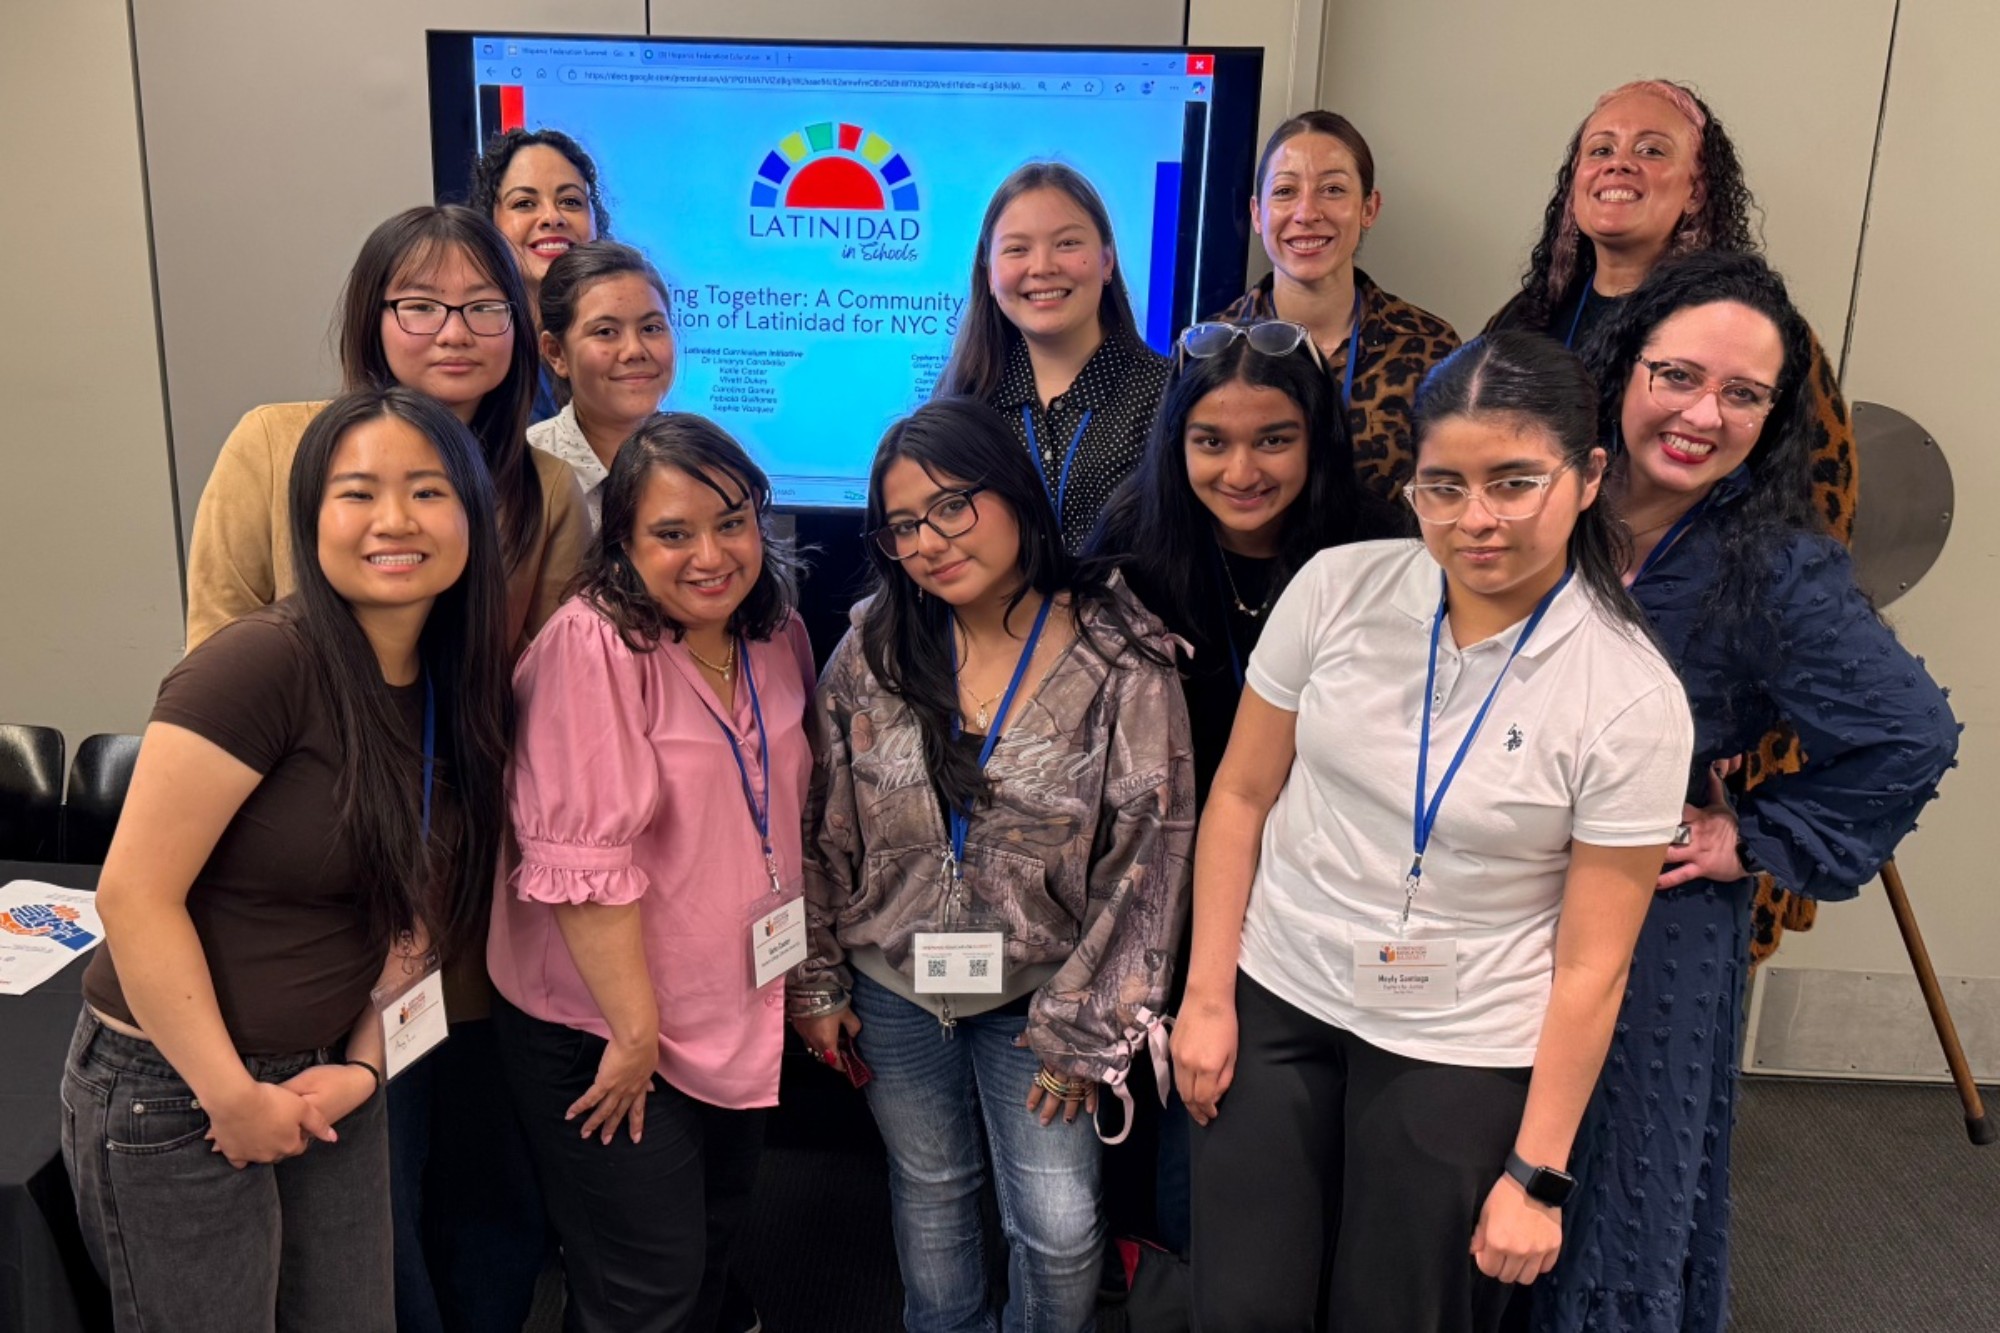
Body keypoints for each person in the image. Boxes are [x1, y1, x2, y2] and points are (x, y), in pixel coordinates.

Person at [1172, 331, 1696, 1332]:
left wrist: (1534, 1175)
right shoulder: (1335, 589)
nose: (1474, 521)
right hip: (1281, 984)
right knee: (1240, 1303)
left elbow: (1592, 964)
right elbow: (1238, 796)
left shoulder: (1627, 697)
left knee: (1396, 1311)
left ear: (1587, 476)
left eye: (1512, 482)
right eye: (1441, 486)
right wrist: (1204, 997)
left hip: (1461, 1034)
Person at [1534, 252, 1958, 1333]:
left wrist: (1747, 836)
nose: (1700, 413)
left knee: (1617, 1196)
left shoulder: (1768, 563)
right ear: (1624, 367)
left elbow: (1906, 735)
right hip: (1505, 881)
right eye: (1676, 375)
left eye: (1740, 394)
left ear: (1772, 417)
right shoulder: (1541, 497)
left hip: (1654, 912)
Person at [183, 203, 578, 1333]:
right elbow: (216, 662)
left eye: (484, 307)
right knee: (367, 1212)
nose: (453, 330)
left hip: (470, 902)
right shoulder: (275, 445)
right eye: (420, 304)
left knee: (490, 1199)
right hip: (326, 903)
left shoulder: (540, 493)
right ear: (372, 318)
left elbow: (541, 703)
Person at [63, 386, 512, 1332]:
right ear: (312, 518)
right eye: (358, 493)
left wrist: (363, 1066)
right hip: (176, 1086)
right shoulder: (260, 662)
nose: (395, 520)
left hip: (328, 1078)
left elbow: (415, 909)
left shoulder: (447, 681)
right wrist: (229, 1095)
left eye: (429, 491)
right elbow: (134, 896)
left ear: (472, 513)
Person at [790, 396, 1194, 1331]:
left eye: (951, 505)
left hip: (1042, 1005)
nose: (928, 541)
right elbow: (818, 826)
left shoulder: (1118, 654)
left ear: (1013, 491)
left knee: (1056, 1230)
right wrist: (816, 982)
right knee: (930, 1191)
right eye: (902, 526)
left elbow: (1150, 862)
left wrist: (1088, 1031)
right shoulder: (874, 648)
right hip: (891, 985)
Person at [1485, 77, 1861, 961]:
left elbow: (1819, 523)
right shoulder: (1529, 320)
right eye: (1600, 147)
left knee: (1655, 1001)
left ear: (1697, 187)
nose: (1621, 163)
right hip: (1534, 699)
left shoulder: (1753, 335)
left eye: (1652, 149)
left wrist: (1743, 700)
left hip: (1696, 715)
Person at [1086, 322, 1404, 1259]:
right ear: (1176, 440)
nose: (1241, 469)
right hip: (1174, 875)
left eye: (1274, 438)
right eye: (1211, 441)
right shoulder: (1135, 542)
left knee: (1301, 1116)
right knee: (1183, 1090)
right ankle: (1166, 1263)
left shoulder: (1381, 548)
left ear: (1317, 436)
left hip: (1328, 868)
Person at [489, 413, 811, 1333]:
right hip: (610, 1031)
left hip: (727, 1002)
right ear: (623, 545)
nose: (710, 554)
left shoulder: (771, 632)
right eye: (672, 533)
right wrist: (632, 1035)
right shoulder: (591, 648)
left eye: (731, 521)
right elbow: (582, 864)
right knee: (645, 1288)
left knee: (709, 1247)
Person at [1212, 111, 1460, 499]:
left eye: (1332, 190)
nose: (1307, 213)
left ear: (1369, 208)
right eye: (1284, 191)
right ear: (1257, 214)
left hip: (1387, 559)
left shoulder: (1432, 348)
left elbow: (1453, 490)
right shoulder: (1211, 348)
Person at [937, 163, 1171, 552]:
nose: (1043, 267)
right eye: (1017, 249)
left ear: (1107, 261)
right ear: (990, 273)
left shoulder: (1168, 396)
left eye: (1067, 244)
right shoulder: (967, 401)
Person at [467, 126, 614, 423]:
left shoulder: (624, 344)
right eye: (525, 204)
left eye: (571, 202)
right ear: (488, 223)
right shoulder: (468, 352)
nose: (552, 217)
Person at [529, 241, 678, 531]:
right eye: (606, 332)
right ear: (556, 353)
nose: (635, 350)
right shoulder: (523, 475)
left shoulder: (706, 460)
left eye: (651, 328)